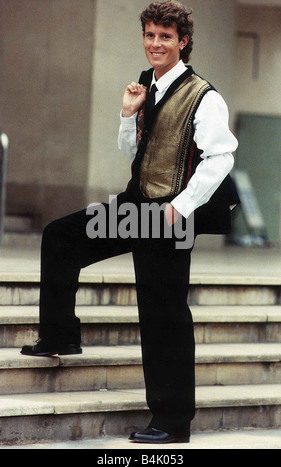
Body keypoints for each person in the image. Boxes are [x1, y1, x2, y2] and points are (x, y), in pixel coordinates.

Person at [21, 1, 239, 444]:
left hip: (169, 217)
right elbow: (132, 153)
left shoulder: (204, 96)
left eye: (165, 36)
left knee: (163, 315)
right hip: (136, 207)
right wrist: (127, 113)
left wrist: (183, 206)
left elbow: (221, 158)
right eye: (150, 35)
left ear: (183, 42)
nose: (155, 44)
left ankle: (173, 422)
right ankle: (59, 336)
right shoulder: (146, 85)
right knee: (61, 238)